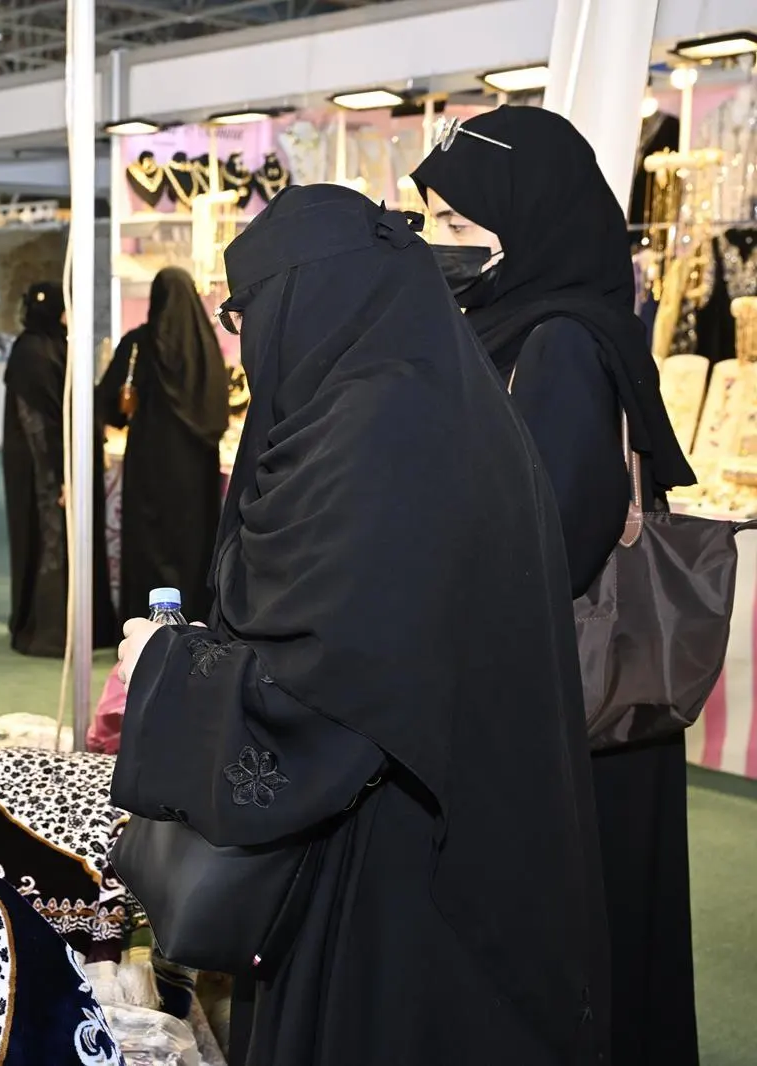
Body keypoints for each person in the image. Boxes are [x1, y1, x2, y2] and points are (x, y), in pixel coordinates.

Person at [113, 185, 609, 1066]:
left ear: (306, 299)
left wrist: (166, 668)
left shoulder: (380, 430)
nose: (245, 338)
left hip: (396, 857)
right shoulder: (423, 399)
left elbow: (328, 690)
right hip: (444, 822)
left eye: (250, 311)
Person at [413, 105, 701, 1066]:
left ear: (526, 217)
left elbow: (554, 532)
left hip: (572, 699)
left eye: (461, 222)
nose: (445, 243)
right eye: (436, 222)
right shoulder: (523, 325)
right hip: (566, 692)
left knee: (578, 938)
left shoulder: (562, 341)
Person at [98, 266, 230, 620]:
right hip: (196, 469)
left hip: (150, 465)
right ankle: (196, 622)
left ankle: (145, 623)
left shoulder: (138, 344)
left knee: (149, 545)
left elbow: (108, 403)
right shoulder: (206, 350)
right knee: (194, 544)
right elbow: (219, 412)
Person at [1, 281, 117, 657]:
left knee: (73, 542)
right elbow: (38, 424)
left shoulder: (54, 346)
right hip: (44, 473)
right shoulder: (32, 352)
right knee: (52, 543)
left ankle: (84, 624)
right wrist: (62, 476)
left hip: (64, 465)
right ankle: (51, 630)